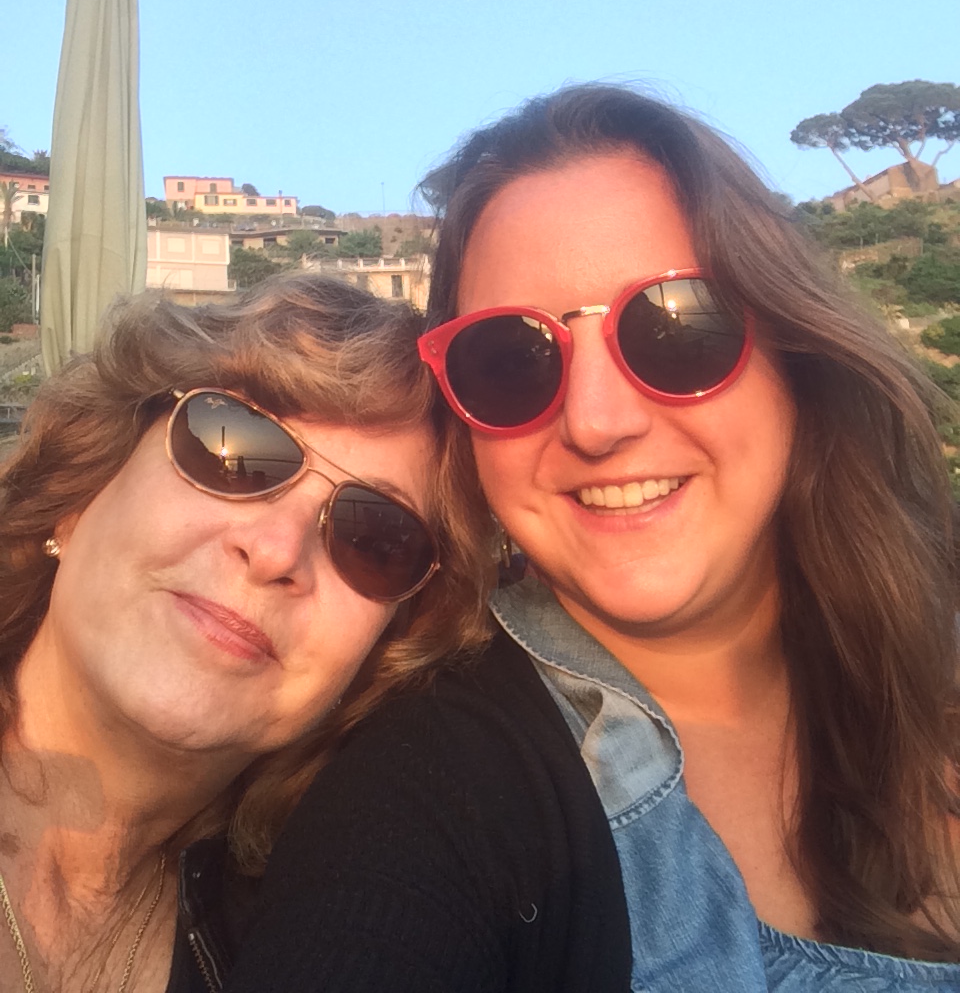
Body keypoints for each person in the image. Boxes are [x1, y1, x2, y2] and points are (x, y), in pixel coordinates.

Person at [222, 86, 960, 993]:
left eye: (676, 327)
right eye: (508, 360)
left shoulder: (934, 645)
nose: (596, 422)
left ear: (795, 355)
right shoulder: (429, 794)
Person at [0, 272, 488, 993]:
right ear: (78, 499)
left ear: (382, 652)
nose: (277, 552)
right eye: (231, 449)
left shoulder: (304, 943)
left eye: (375, 537)